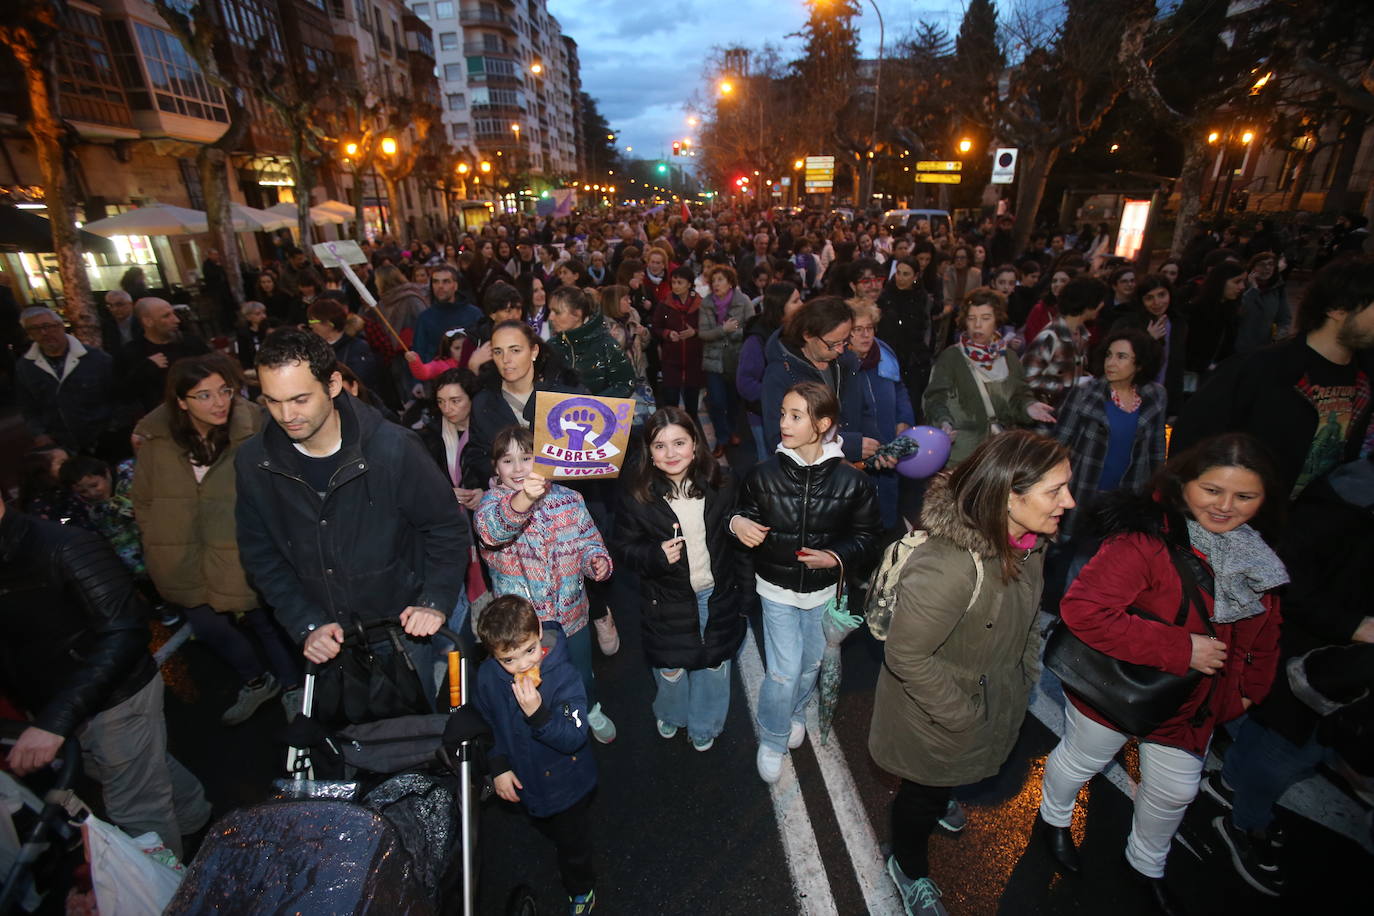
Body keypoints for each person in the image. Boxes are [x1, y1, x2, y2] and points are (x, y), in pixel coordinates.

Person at [1037, 434, 1285, 915]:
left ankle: (1146, 865)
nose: (1226, 507)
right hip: (1117, 690)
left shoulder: (1257, 553)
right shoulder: (1143, 541)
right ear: (1183, 484)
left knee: (1175, 792)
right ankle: (1053, 819)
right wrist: (1180, 649)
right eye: (1212, 490)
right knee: (1083, 760)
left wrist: (1248, 694)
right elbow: (1084, 611)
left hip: (1197, 706)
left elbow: (1266, 634)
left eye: (1245, 496)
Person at [870, 431, 1073, 916]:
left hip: (987, 695)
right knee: (920, 793)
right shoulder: (950, 567)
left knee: (942, 782)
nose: (1070, 500)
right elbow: (907, 657)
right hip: (938, 713)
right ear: (1009, 495)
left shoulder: (1031, 543)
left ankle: (942, 795)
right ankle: (907, 866)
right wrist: (962, 715)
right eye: (1055, 490)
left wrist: (1023, 678)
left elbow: (1026, 621)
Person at [234, 328, 467, 689]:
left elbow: (446, 527)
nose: (285, 414)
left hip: (399, 632)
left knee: (413, 737)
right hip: (323, 642)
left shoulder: (394, 449)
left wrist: (433, 601)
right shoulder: (254, 462)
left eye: (299, 399)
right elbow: (260, 554)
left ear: (333, 385)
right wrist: (304, 622)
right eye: (272, 401)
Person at [0, 497, 211, 860]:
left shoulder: (65, 544)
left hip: (116, 696)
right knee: (141, 767)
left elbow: (125, 631)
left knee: (135, 809)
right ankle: (199, 819)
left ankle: (172, 894)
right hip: (64, 706)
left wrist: (55, 721)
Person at [1207, 455, 1374, 897]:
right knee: (1293, 749)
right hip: (1317, 656)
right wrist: (1353, 626)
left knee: (1272, 731)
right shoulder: (1349, 498)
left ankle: (1231, 783)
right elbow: (1289, 576)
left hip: (1319, 652)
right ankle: (1244, 824)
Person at [133, 352, 303, 723]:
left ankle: (293, 687)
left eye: (225, 390)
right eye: (204, 395)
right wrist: (155, 539)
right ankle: (256, 681)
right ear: (181, 401)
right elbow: (142, 499)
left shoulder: (252, 431)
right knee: (209, 628)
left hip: (241, 550)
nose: (219, 402)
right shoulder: (157, 443)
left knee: (267, 622)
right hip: (180, 556)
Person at [731, 381, 883, 783]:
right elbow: (739, 511)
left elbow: (869, 538)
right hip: (776, 590)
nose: (783, 422)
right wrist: (737, 521)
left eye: (795, 416)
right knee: (782, 672)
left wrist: (834, 557)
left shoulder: (853, 482)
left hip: (824, 593)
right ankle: (773, 736)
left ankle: (796, 710)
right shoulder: (762, 474)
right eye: (783, 413)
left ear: (823, 423)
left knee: (809, 666)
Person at [1172, 256, 1374, 500]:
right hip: (1241, 526)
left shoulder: (1364, 377)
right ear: (1337, 310)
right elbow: (1189, 449)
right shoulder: (1259, 370)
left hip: (1317, 526)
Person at [473, 426, 617, 744]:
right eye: (507, 461)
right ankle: (531, 725)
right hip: (521, 624)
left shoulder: (569, 499)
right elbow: (493, 532)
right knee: (527, 679)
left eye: (527, 457)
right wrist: (524, 498)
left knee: (579, 672)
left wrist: (596, 562)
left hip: (571, 614)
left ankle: (589, 708)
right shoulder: (490, 505)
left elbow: (590, 541)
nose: (519, 468)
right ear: (496, 467)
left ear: (544, 459)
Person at [614, 408, 746, 752]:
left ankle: (706, 723)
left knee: (714, 665)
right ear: (649, 453)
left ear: (695, 445)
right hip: (665, 599)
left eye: (679, 443)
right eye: (660, 446)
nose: (671, 453)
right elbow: (624, 548)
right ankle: (672, 713)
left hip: (714, 594)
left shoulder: (724, 483)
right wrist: (655, 555)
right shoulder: (637, 494)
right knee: (670, 667)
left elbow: (739, 544)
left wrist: (746, 595)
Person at [473, 595, 598, 915]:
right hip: (526, 777)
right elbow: (487, 724)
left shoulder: (564, 676)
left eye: (529, 651)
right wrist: (498, 765)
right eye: (509, 660)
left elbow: (574, 736)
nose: (523, 665)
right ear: (493, 655)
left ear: (539, 631)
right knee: (544, 823)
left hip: (568, 783)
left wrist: (539, 714)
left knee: (573, 844)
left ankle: (581, 888)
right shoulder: (488, 678)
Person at [1043, 326, 1168, 611]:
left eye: (1122, 357)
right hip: (1083, 489)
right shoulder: (1086, 393)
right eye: (1110, 355)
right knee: (1068, 553)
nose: (1112, 363)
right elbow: (1059, 443)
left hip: (1127, 495)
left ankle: (1092, 612)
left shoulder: (1155, 396)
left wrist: (1157, 488)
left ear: (1140, 364)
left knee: (1110, 559)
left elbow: (1157, 446)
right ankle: (1055, 612)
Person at [924, 289, 1056, 466]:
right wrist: (943, 422)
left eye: (986, 318)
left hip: (1001, 452)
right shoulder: (951, 357)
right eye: (971, 318)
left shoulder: (1009, 357)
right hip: (963, 455)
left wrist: (1028, 407)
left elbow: (1019, 395)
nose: (977, 325)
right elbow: (934, 398)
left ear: (997, 320)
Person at [760, 296, 880, 462]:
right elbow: (779, 439)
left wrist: (876, 446)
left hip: (851, 471)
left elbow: (863, 411)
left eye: (845, 341)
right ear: (808, 335)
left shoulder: (846, 362)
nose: (840, 350)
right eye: (832, 344)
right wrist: (847, 445)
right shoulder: (780, 374)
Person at [850, 301, 915, 532]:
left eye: (869, 328)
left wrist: (904, 419)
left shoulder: (884, 353)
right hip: (859, 453)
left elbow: (899, 389)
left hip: (889, 447)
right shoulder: (839, 364)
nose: (866, 335)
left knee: (888, 509)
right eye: (858, 330)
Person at [16, 306, 114, 455]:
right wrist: (39, 434)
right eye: (35, 329)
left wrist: (113, 429)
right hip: (62, 445)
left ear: (61, 326)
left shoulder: (96, 358)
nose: (44, 333)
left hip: (103, 439)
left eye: (47, 326)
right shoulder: (25, 367)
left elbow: (118, 396)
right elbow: (28, 407)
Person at [737, 282, 804, 463]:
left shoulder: (794, 332)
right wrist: (776, 396)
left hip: (793, 415)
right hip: (763, 417)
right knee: (771, 465)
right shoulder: (757, 339)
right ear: (780, 306)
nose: (802, 305)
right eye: (795, 301)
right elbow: (745, 383)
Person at [1021, 276, 1107, 415]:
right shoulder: (1050, 336)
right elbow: (1026, 378)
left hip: (1067, 414)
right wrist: (1069, 386)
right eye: (1100, 301)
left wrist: (1087, 380)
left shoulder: (1082, 334)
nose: (1102, 305)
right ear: (1088, 303)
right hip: (1044, 416)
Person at [116, 297, 210, 416]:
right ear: (148, 321)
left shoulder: (191, 342)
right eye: (166, 316)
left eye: (174, 314)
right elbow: (123, 395)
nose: (176, 320)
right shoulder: (131, 353)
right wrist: (146, 369)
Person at [1108, 274, 1189, 413]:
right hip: (1132, 395)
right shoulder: (1128, 323)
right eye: (1149, 298)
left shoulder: (1178, 323)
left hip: (1165, 397)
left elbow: (1177, 365)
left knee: (1164, 433)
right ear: (1141, 300)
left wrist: (1176, 406)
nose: (1157, 302)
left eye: (1161, 295)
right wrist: (1148, 338)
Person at [546, 285, 635, 397]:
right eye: (550, 311)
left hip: (597, 413)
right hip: (556, 412)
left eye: (557, 312)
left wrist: (594, 404)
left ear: (577, 314)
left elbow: (625, 384)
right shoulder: (551, 346)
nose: (551, 317)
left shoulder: (606, 345)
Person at [699, 264, 751, 456]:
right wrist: (723, 331)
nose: (716, 284)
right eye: (713, 281)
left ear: (730, 282)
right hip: (714, 360)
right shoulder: (706, 303)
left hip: (736, 359)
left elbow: (752, 329)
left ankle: (732, 431)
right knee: (717, 401)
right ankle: (721, 438)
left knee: (733, 400)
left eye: (720, 280)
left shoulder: (743, 301)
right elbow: (703, 333)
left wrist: (735, 332)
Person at [651, 266, 705, 426]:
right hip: (671, 360)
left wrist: (694, 332)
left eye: (679, 282)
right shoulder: (664, 304)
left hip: (694, 360)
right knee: (671, 400)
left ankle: (691, 433)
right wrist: (668, 333)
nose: (675, 285)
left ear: (689, 284)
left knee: (692, 403)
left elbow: (709, 328)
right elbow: (656, 327)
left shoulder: (700, 305)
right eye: (673, 282)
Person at [1184, 262, 1245, 379]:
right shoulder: (1196, 310)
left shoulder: (1231, 310)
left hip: (1216, 374)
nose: (1242, 287)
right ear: (1221, 282)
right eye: (1237, 281)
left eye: (1243, 282)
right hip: (1192, 375)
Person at [412, 264, 482, 366]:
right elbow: (419, 354)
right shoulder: (425, 318)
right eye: (436, 282)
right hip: (436, 378)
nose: (440, 286)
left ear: (455, 285)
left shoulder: (474, 314)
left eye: (446, 281)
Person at [1234, 251, 1292, 354]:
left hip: (1264, 348)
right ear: (1253, 268)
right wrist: (1253, 290)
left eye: (1271, 264)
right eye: (1262, 264)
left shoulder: (1277, 289)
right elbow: (1237, 313)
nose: (1267, 268)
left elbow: (1284, 318)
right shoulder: (1240, 287)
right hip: (1238, 348)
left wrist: (1277, 336)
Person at [234, 300, 276, 372]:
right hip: (255, 368)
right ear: (248, 317)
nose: (263, 316)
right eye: (258, 314)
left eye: (264, 312)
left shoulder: (272, 325)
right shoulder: (243, 334)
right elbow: (243, 356)